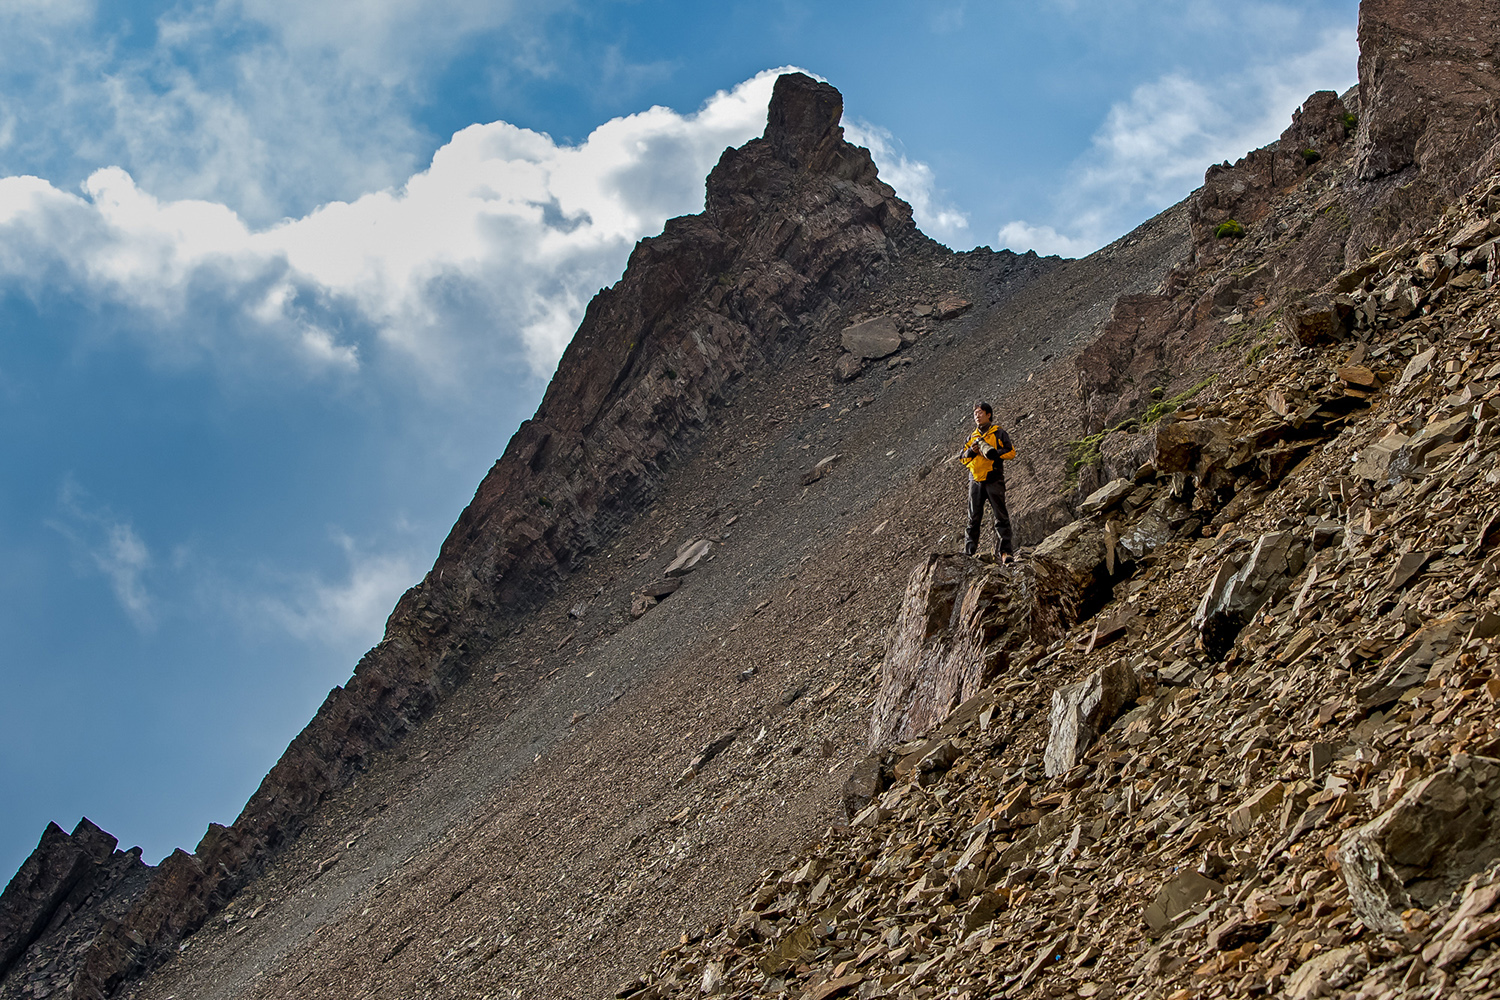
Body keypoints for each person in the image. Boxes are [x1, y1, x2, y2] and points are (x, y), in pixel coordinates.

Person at [957, 401, 1016, 561]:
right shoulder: (971, 437)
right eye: (975, 413)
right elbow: (962, 458)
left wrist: (994, 454)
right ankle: (969, 554)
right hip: (975, 480)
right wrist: (972, 451)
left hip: (993, 479)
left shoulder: (999, 433)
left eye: (980, 413)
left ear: (988, 415)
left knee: (1000, 516)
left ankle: (1006, 553)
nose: (977, 416)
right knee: (973, 519)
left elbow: (1011, 452)